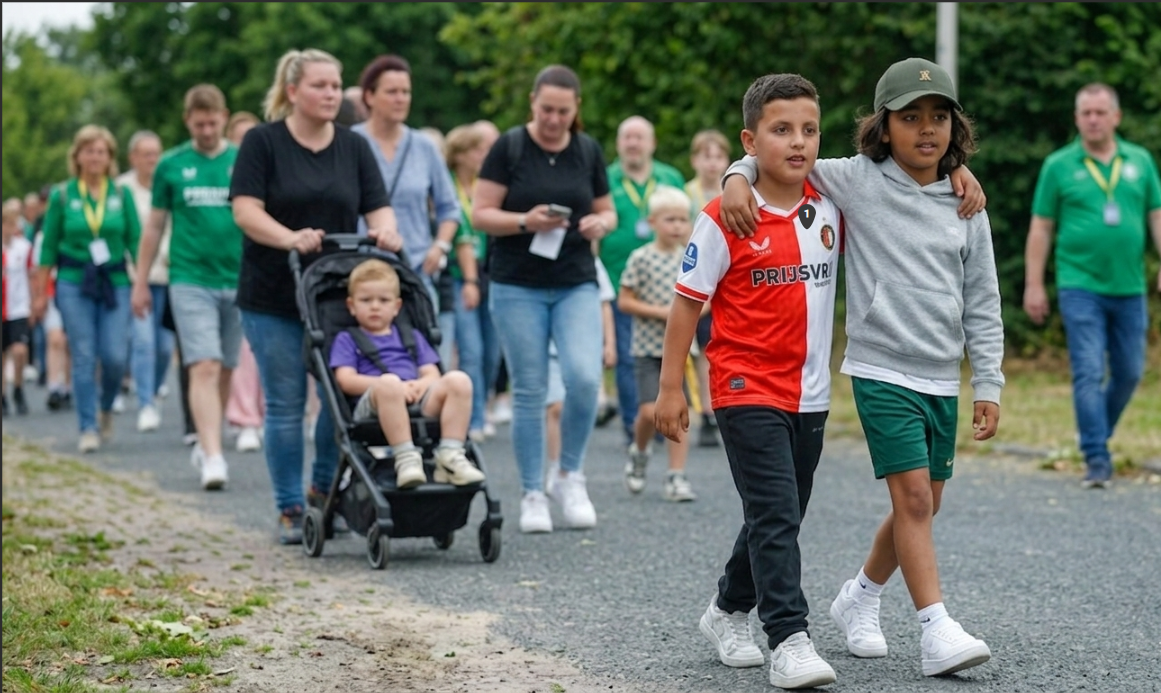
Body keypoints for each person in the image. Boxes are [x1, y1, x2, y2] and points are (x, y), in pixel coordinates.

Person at [719, 58, 1001, 681]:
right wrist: (733, 178)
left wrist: (989, 381)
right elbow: (782, 157)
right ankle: (936, 629)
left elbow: (983, 299)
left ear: (955, 127)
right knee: (915, 499)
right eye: (910, 118)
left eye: (939, 118)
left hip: (939, 375)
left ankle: (860, 597)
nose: (926, 130)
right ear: (884, 126)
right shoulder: (855, 179)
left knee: (927, 502)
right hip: (879, 367)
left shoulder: (967, 204)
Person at [655, 73, 841, 689]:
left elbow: (899, 176)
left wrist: (958, 172)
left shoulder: (833, 201)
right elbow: (686, 304)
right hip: (742, 385)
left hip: (810, 391)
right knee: (776, 511)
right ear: (750, 139)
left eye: (809, 130)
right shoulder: (723, 215)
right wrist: (670, 389)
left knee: (778, 514)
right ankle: (789, 638)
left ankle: (727, 610)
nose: (798, 142)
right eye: (781, 130)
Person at [230, 48, 400, 544]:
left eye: (335, 85)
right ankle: (288, 508)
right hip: (272, 294)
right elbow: (245, 210)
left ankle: (324, 495)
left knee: (338, 400)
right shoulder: (263, 143)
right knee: (284, 402)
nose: (331, 94)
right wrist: (289, 237)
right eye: (320, 86)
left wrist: (386, 234)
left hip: (332, 295)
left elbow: (379, 208)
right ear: (293, 91)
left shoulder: (354, 147)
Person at [471, 64, 616, 534]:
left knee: (584, 378)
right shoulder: (509, 146)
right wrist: (523, 221)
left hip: (574, 279)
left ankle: (568, 474)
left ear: (575, 110)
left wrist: (602, 224)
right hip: (517, 282)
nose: (554, 119)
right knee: (530, 389)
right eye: (546, 109)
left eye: (563, 111)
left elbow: (606, 209)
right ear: (533, 102)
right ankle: (532, 491)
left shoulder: (587, 149)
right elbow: (480, 214)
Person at [1023, 82, 1161, 489]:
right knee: (1087, 370)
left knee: (1131, 371)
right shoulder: (1059, 165)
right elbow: (1041, 228)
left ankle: (1094, 434)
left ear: (1116, 117)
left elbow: (1156, 215)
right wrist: (1034, 284)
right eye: (1086, 113)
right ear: (1077, 118)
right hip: (1078, 284)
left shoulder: (1140, 161)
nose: (1094, 119)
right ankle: (1097, 460)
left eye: (1101, 112)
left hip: (1130, 286)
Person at [133, 84, 243, 491]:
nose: (208, 131)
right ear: (188, 121)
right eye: (200, 125)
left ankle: (209, 435)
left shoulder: (241, 159)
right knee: (204, 364)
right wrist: (141, 281)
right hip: (189, 277)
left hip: (237, 276)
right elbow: (155, 225)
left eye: (213, 123)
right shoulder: (172, 164)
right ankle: (212, 453)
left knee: (228, 368)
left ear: (224, 117)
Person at [330, 258, 484, 488]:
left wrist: (419, 385)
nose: (375, 306)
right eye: (366, 300)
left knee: (458, 380)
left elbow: (432, 373)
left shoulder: (410, 335)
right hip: (372, 404)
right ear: (351, 306)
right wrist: (393, 386)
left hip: (416, 397)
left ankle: (451, 454)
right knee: (389, 383)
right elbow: (345, 380)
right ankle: (405, 457)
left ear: (396, 306)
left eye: (383, 300)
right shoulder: (347, 339)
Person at [33, 124, 140, 453]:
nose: (95, 157)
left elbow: (135, 240)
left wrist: (142, 284)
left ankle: (105, 406)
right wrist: (39, 294)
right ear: (77, 156)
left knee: (114, 355)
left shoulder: (121, 195)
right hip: (74, 281)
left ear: (110, 158)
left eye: (101, 152)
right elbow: (48, 247)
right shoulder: (63, 195)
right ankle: (87, 426)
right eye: (89, 151)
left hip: (115, 282)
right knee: (82, 354)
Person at [351, 54, 460, 366]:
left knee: (425, 362)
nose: (401, 99)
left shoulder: (423, 146)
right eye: (392, 91)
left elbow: (449, 208)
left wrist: (440, 246)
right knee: (372, 365)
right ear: (369, 96)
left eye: (406, 91)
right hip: (361, 273)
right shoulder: (351, 142)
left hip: (414, 272)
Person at [601, 115, 687, 445]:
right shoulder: (607, 178)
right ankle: (632, 422)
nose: (633, 143)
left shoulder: (670, 177)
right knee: (627, 357)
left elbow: (686, 225)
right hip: (619, 280)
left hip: (668, 287)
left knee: (670, 353)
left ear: (652, 143)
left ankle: (664, 416)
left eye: (640, 137)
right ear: (619, 143)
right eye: (627, 137)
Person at [619, 184, 699, 502]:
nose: (677, 226)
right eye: (670, 220)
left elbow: (705, 299)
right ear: (652, 222)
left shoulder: (691, 258)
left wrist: (685, 316)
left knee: (679, 412)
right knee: (649, 410)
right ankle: (639, 453)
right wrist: (661, 313)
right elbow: (625, 301)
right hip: (648, 348)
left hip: (682, 351)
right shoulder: (641, 258)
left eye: (683, 219)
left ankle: (676, 476)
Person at [444, 122, 502, 442]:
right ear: (460, 154)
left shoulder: (485, 186)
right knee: (471, 350)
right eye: (477, 150)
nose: (483, 156)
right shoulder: (448, 188)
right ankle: (474, 416)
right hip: (458, 275)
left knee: (493, 350)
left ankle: (486, 402)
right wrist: (468, 279)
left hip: (490, 273)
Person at [117, 129, 173, 433]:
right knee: (143, 340)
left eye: (156, 153)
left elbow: (170, 227)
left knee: (165, 346)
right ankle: (145, 403)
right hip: (133, 274)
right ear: (133, 157)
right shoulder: (121, 188)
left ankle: (154, 388)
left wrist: (160, 254)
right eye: (146, 154)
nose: (152, 159)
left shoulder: (167, 182)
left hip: (165, 272)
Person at [545, 257, 617, 480]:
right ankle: (556, 466)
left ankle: (572, 463)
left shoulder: (589, 262)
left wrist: (609, 343)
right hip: (551, 349)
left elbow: (605, 304)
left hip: (585, 345)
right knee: (556, 407)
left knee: (581, 403)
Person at [684, 128, 732, 449]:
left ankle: (721, 407)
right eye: (706, 157)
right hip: (699, 281)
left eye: (718, 157)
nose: (712, 164)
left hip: (727, 283)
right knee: (699, 351)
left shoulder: (735, 191)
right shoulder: (685, 195)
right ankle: (703, 412)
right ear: (694, 160)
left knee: (719, 351)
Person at [223, 110, 265, 454]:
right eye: (239, 138)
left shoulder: (270, 168)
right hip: (227, 269)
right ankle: (245, 418)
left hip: (266, 266)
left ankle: (263, 414)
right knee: (241, 350)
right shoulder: (222, 171)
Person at [3, 203, 37, 416]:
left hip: (18, 307)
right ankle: (3, 397)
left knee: (19, 350)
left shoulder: (23, 248)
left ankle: (18, 387)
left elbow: (31, 276)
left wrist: (33, 303)